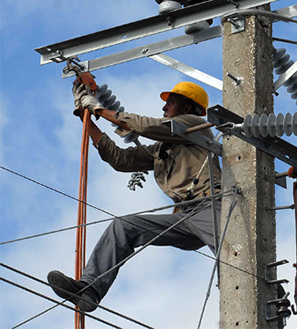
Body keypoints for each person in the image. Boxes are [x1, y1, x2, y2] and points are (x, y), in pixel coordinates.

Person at [48, 81, 221, 312]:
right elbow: (122, 159)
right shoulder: (163, 148)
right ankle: (89, 290)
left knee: (235, 256)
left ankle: (260, 291)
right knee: (124, 226)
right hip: (186, 217)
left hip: (212, 207)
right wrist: (87, 119)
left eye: (171, 102)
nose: (164, 108)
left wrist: (99, 109)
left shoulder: (196, 125)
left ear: (188, 108)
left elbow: (146, 126)